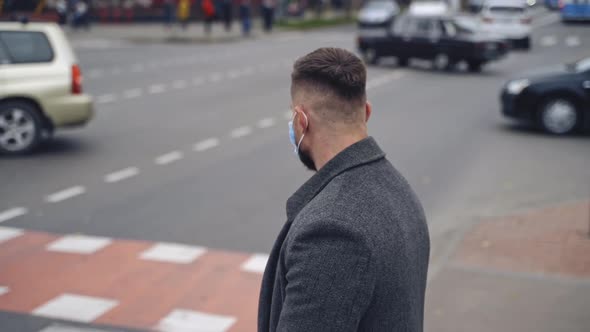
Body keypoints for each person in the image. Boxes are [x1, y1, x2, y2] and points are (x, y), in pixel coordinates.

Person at [258, 48, 430, 331]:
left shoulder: (331, 230)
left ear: (301, 121)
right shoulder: (400, 190)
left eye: (293, 121)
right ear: (366, 112)